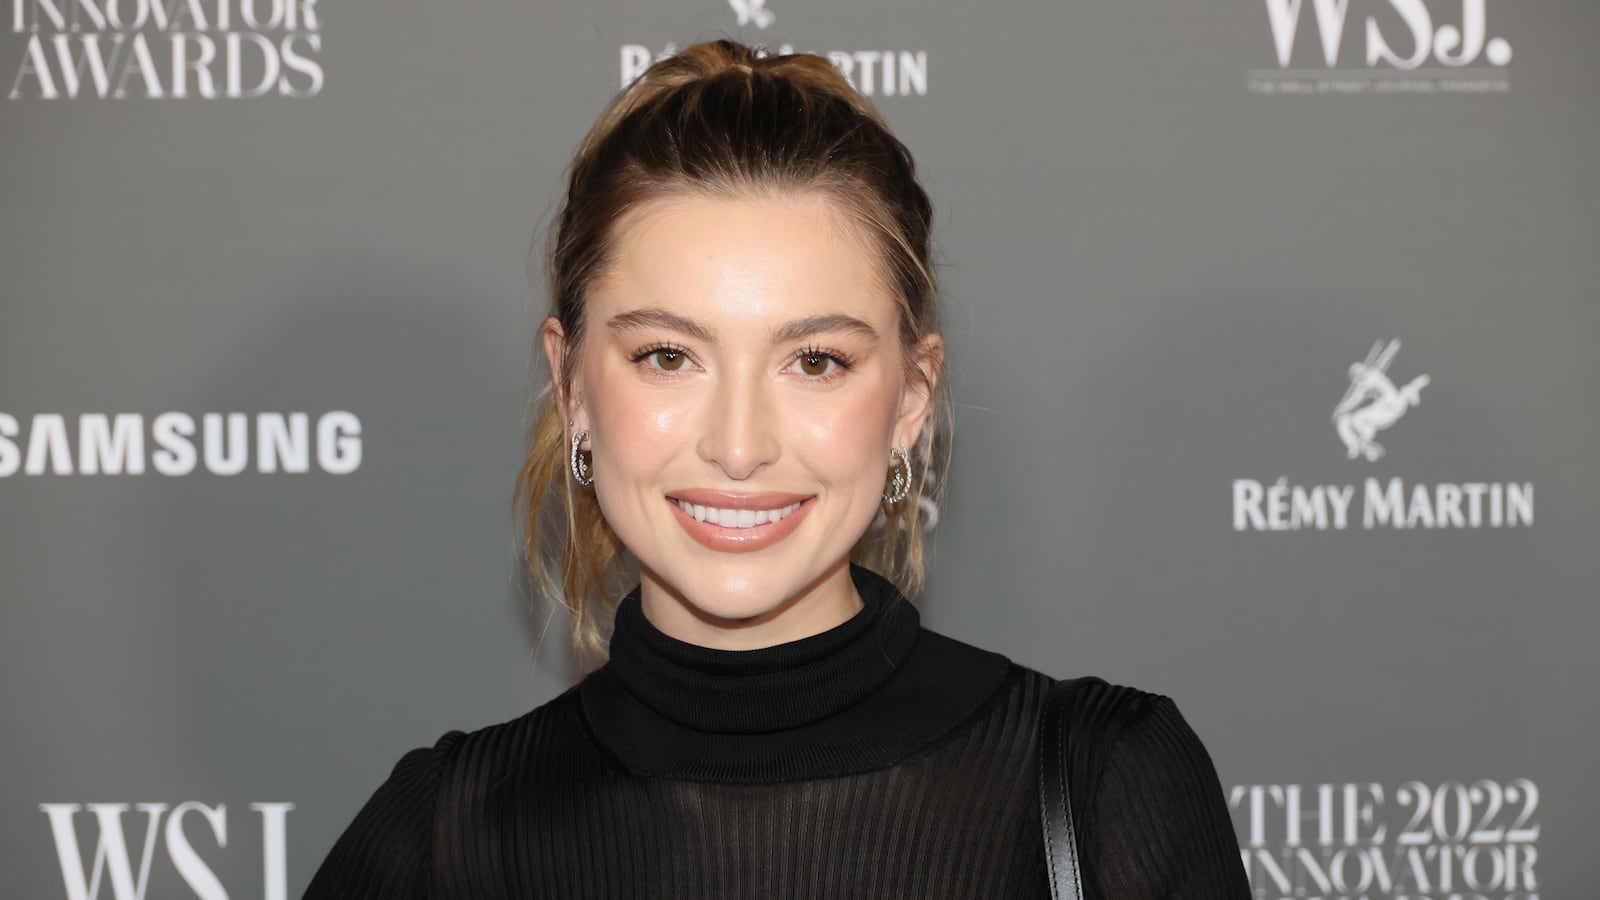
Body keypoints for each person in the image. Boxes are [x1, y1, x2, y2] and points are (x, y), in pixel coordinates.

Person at [303, 39, 1251, 899]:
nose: (739, 444)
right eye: (668, 355)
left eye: (816, 361)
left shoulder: (1108, 791)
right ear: (572, 385)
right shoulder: (439, 843)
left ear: (910, 401)